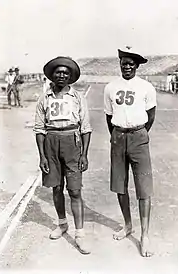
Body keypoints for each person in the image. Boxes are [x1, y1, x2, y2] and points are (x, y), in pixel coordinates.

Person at [34, 56, 92, 254]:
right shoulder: (45, 98)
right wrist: (42, 156)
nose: (61, 75)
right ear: (52, 75)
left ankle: (80, 234)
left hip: (72, 143)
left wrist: (84, 154)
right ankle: (62, 223)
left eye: (65, 73)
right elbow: (39, 129)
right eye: (58, 72)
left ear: (70, 76)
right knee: (56, 188)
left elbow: (86, 128)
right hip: (51, 142)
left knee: (75, 191)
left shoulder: (77, 97)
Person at [104, 46, 157, 257]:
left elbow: (150, 115)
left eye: (130, 63)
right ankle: (127, 225)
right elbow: (109, 117)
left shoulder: (146, 87)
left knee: (144, 187)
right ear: (120, 64)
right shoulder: (110, 87)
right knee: (120, 184)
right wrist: (118, 134)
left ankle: (145, 235)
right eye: (123, 62)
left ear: (136, 65)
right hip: (118, 136)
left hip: (138, 136)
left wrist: (139, 133)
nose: (127, 66)